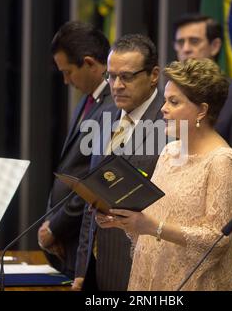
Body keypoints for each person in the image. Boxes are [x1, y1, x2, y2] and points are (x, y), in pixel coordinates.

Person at [98, 58, 232, 290]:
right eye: (165, 100)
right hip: (149, 277)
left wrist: (151, 227)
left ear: (202, 110)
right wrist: (124, 221)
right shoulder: (169, 151)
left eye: (174, 102)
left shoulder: (223, 162)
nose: (164, 109)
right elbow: (150, 222)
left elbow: (217, 240)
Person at [73, 34, 166, 291]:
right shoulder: (104, 116)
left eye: (127, 76)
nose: (116, 85)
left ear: (154, 75)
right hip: (97, 265)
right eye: (111, 76)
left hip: (141, 268)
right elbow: (91, 196)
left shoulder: (170, 124)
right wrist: (82, 269)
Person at [36, 21, 113, 279]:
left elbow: (95, 180)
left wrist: (56, 227)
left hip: (84, 241)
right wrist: (50, 223)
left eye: (68, 72)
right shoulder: (87, 100)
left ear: (90, 63)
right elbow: (68, 168)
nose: (66, 80)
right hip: (64, 242)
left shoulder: (113, 107)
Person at [173, 13, 232, 215]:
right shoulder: (169, 96)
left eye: (194, 41)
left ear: (215, 46)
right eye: (180, 42)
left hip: (213, 215)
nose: (185, 48)